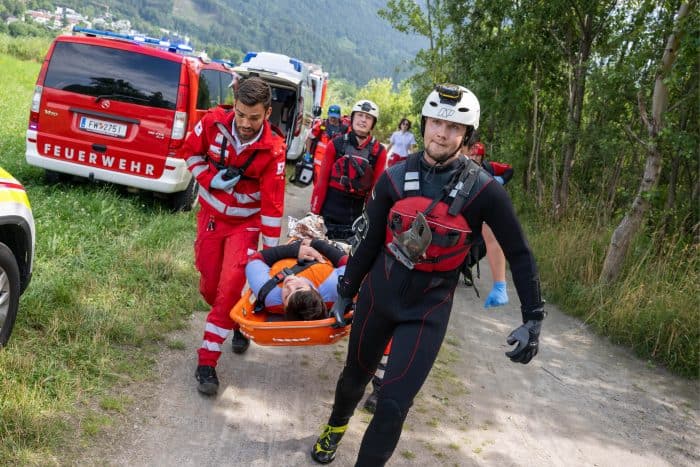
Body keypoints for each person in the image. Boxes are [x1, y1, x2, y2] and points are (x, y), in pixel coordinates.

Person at [310, 83, 546, 465]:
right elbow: (368, 241)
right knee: (353, 378)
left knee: (392, 405)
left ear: (467, 134)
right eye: (436, 122)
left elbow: (519, 252)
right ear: (424, 124)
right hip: (379, 296)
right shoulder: (394, 176)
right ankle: (335, 427)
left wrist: (533, 318)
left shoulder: (485, 191)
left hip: (427, 310)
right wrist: (346, 289)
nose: (442, 133)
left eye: (453, 127)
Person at [179, 77, 287, 396]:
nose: (245, 124)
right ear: (234, 106)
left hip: (245, 226)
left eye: (254, 117)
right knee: (209, 287)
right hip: (211, 218)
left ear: (267, 113)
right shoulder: (213, 123)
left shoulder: (273, 149)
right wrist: (210, 179)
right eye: (240, 114)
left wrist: (270, 258)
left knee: (228, 289)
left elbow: (272, 207)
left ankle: (207, 363)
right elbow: (190, 152)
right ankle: (238, 320)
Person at [310, 99, 388, 240]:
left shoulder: (379, 152)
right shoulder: (336, 144)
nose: (363, 120)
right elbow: (321, 183)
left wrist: (369, 220)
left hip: (354, 217)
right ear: (352, 118)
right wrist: (313, 214)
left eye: (368, 117)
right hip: (328, 213)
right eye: (360, 115)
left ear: (373, 123)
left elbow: (374, 192)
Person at [461, 139, 515, 307]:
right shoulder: (461, 166)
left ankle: (466, 266)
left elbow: (509, 169)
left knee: (484, 245)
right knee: (462, 241)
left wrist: (501, 180)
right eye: (472, 155)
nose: (474, 158)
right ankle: (456, 266)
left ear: (482, 156)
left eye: (477, 156)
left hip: (484, 213)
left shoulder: (489, 167)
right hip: (464, 211)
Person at [244, 239, 348, 321]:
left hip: (292, 247)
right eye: (298, 288)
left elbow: (254, 258)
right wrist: (316, 243)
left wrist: (294, 250)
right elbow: (347, 262)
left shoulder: (268, 294)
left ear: (284, 308)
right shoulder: (336, 287)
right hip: (319, 247)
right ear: (315, 290)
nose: (289, 285)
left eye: (286, 296)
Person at [306, 104, 349, 182]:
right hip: (319, 162)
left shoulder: (344, 129)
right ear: (328, 114)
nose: (332, 119)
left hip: (334, 163)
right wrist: (308, 154)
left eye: (335, 117)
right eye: (331, 116)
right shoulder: (322, 125)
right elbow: (309, 137)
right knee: (319, 183)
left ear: (339, 116)